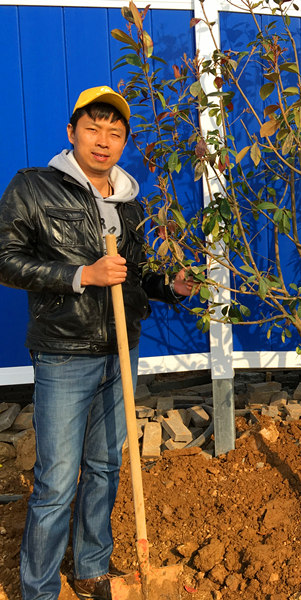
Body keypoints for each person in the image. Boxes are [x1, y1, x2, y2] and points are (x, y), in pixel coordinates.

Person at [0, 86, 196, 600]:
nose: (103, 141)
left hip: (120, 352)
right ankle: (39, 590)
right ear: (72, 132)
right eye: (93, 129)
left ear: (124, 141)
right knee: (56, 481)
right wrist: (81, 275)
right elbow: (6, 260)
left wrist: (170, 286)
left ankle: (91, 568)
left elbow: (136, 276)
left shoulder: (130, 204)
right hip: (64, 352)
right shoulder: (34, 188)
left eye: (115, 132)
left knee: (105, 467)